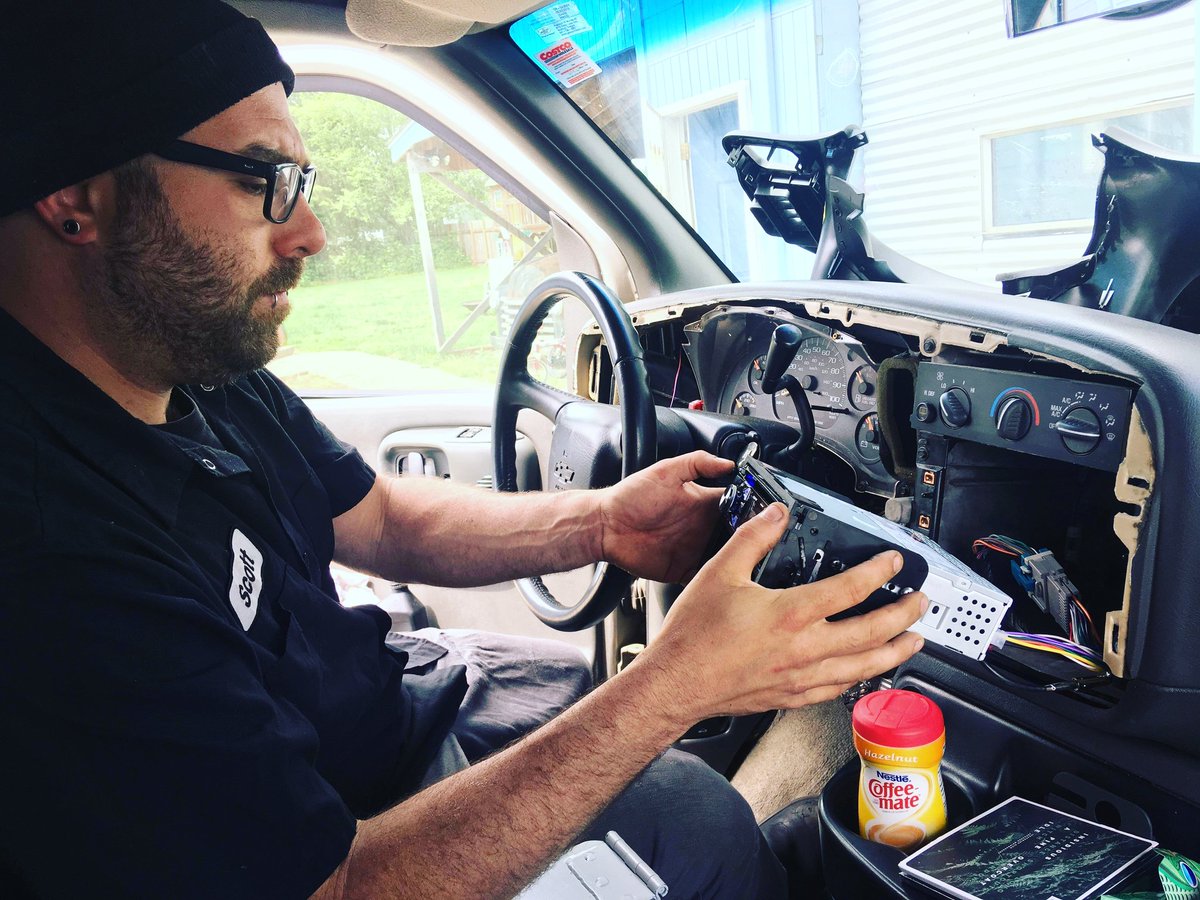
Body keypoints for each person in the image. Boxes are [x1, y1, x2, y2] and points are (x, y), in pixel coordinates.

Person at [0, 2, 927, 897]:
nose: (310, 233)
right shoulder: (50, 559)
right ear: (75, 198)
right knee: (693, 812)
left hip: (383, 714)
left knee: (583, 690)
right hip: (348, 841)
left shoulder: (188, 361)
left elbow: (380, 516)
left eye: (302, 185)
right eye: (262, 180)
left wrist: (604, 523)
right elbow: (329, 889)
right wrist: (676, 683)